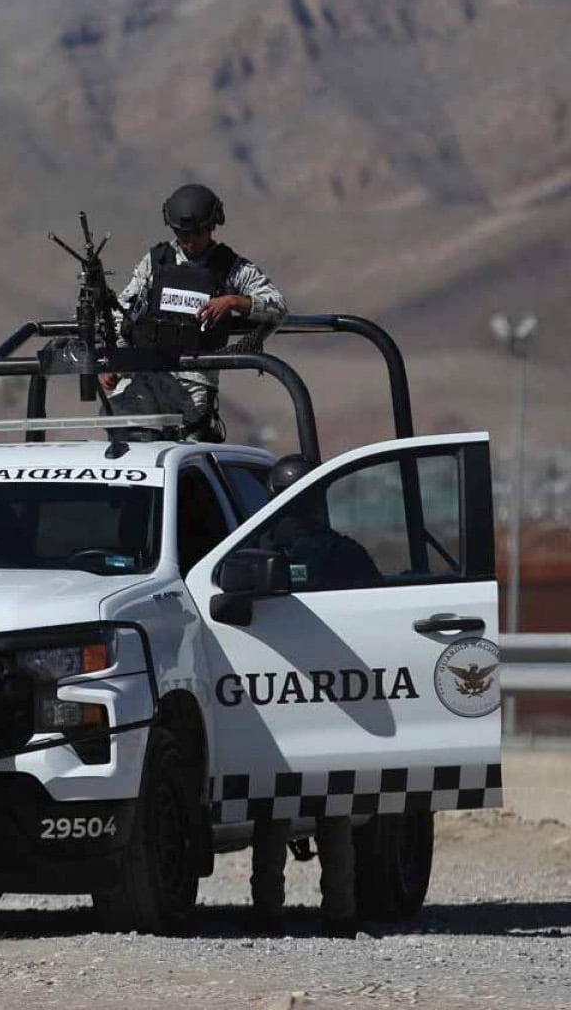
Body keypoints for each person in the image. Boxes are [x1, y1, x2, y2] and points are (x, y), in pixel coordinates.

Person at [246, 455, 361, 938]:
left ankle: (267, 911)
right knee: (333, 811)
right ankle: (340, 912)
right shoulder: (343, 553)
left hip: (273, 695)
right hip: (333, 695)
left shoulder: (249, 553)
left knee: (272, 810)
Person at [106, 183, 286, 442]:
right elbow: (120, 312)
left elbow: (278, 306)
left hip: (194, 383)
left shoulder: (229, 267)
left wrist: (234, 302)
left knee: (186, 457)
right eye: (182, 234)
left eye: (197, 233)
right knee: (126, 443)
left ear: (212, 227)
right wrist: (117, 360)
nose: (190, 242)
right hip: (144, 375)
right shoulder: (156, 262)